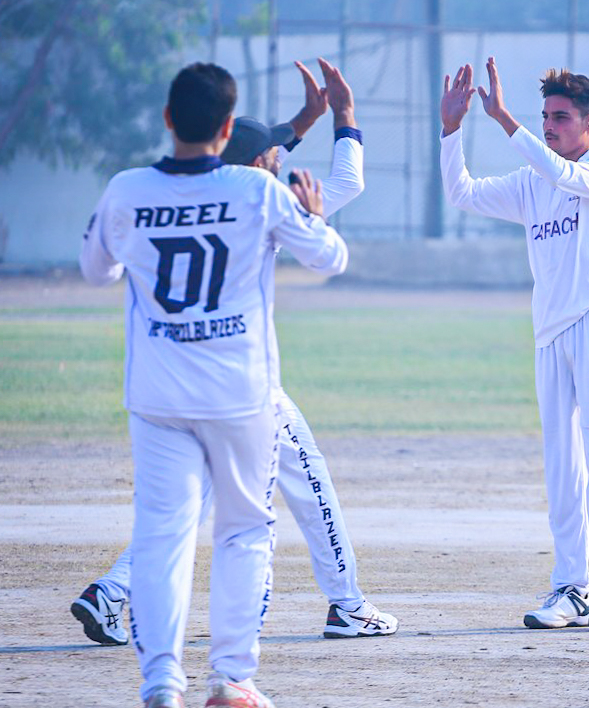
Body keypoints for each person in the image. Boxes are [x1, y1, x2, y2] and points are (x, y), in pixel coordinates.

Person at [72, 59, 398, 649]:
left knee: (186, 505)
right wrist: (345, 118)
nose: (283, 155)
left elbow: (248, 149)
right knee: (303, 487)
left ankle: (114, 593)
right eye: (276, 151)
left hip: (171, 383)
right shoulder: (266, 199)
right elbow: (342, 191)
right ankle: (345, 606)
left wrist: (303, 121)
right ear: (255, 162)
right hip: (244, 384)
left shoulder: (178, 189)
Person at [440, 58, 589, 631]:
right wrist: (451, 131)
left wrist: (504, 120)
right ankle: (570, 588)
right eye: (545, 117)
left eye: (561, 117)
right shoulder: (532, 182)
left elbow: (562, 175)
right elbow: (461, 193)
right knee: (562, 469)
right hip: (550, 334)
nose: (550, 125)